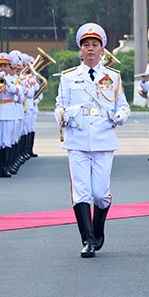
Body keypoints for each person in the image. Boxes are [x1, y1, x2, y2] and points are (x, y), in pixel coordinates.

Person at [54, 23, 130, 258]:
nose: (90, 49)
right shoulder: (68, 77)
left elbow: (123, 106)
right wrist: (64, 116)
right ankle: (87, 240)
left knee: (100, 194)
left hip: (103, 139)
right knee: (82, 192)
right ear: (80, 49)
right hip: (77, 140)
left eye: (95, 45)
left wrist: (120, 116)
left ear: (102, 50)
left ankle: (98, 229)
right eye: (86, 45)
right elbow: (59, 107)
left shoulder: (113, 77)